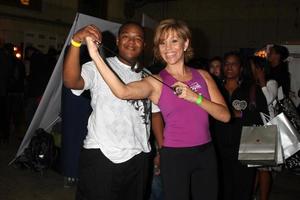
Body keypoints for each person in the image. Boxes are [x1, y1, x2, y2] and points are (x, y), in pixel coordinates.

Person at [84, 18, 230, 200]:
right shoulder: (156, 81)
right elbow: (122, 92)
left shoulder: (203, 76)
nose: (168, 47)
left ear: (185, 44)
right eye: (162, 42)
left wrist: (196, 98)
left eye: (174, 41)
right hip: (175, 156)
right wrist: (95, 55)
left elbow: (224, 116)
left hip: (206, 153)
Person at [63, 22, 153, 200]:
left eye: (138, 38)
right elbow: (71, 82)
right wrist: (75, 42)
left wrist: (159, 149)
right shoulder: (97, 66)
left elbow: (154, 113)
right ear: (118, 40)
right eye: (126, 36)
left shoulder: (148, 76)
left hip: (139, 156)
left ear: (144, 45)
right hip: (102, 154)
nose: (131, 42)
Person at [211, 52, 268, 200]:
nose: (229, 67)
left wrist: (240, 114)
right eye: (226, 64)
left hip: (245, 147)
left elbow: (263, 116)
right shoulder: (214, 89)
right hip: (219, 148)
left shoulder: (251, 90)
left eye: (234, 64)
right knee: (221, 188)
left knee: (243, 189)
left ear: (241, 68)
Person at [249, 56, 279, 200]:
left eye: (253, 67)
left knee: (263, 168)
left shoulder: (271, 82)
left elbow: (269, 99)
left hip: (265, 127)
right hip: (254, 127)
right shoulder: (251, 84)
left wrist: (262, 82)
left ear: (261, 68)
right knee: (256, 167)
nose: (251, 69)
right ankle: (253, 194)